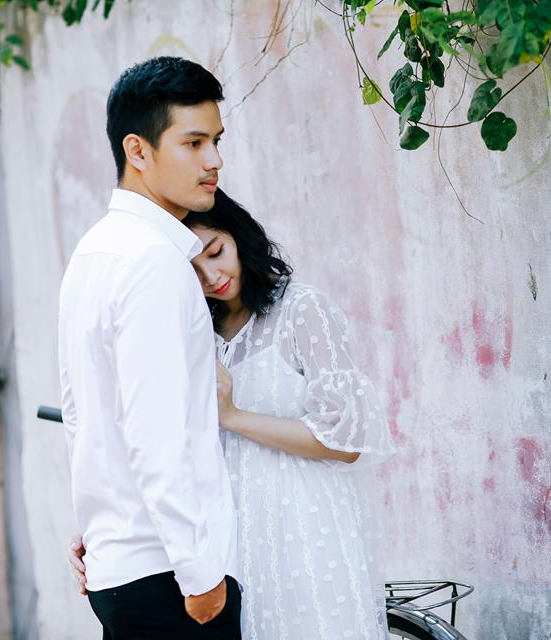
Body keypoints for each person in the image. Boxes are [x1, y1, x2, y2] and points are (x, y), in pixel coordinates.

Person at [70, 190, 397, 639]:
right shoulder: (191, 328)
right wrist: (104, 524)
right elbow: (158, 439)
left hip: (304, 528)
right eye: (192, 269)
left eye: (216, 252)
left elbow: (346, 441)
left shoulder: (301, 311)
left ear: (239, 236)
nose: (211, 277)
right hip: (225, 536)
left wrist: (233, 416)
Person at [58, 56, 241, 638]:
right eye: (193, 143)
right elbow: (156, 434)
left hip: (122, 568)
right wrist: (200, 574)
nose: (214, 161)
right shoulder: (153, 262)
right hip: (170, 576)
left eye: (215, 141)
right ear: (137, 151)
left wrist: (98, 528)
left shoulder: (94, 251)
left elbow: (81, 416)